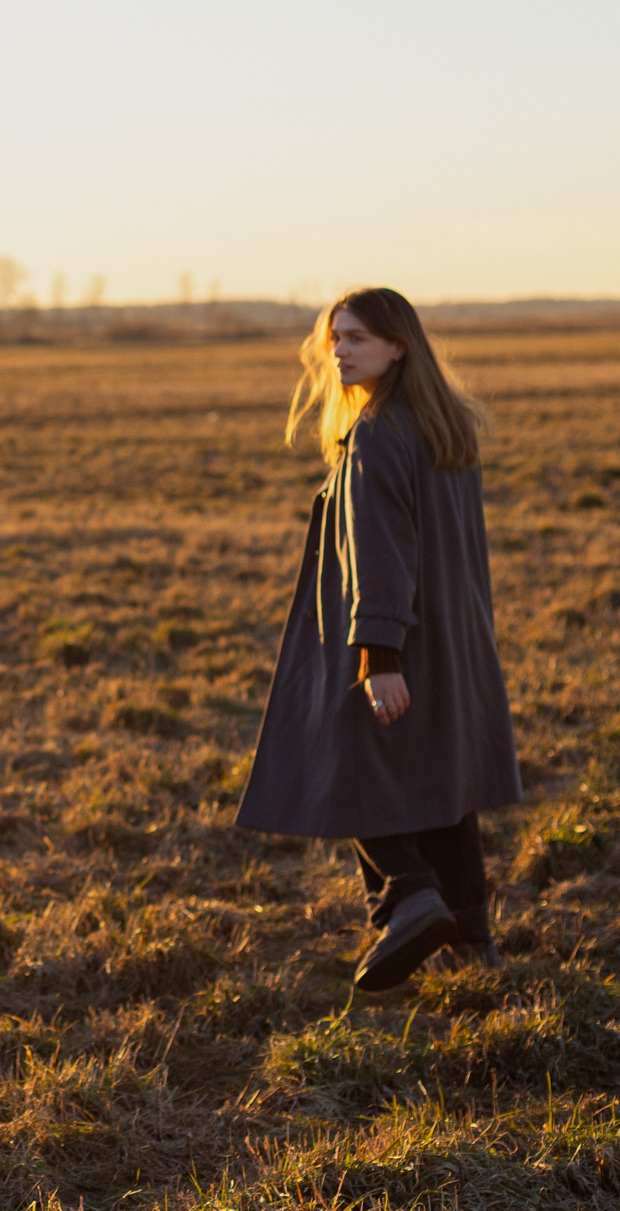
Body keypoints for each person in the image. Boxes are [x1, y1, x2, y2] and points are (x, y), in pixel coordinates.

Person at [234, 287, 520, 992]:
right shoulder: (442, 426)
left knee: (342, 757)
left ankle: (409, 896)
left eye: (357, 338)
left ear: (399, 345)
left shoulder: (378, 435)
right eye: (335, 338)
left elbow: (381, 549)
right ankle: (471, 941)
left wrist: (379, 654)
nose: (340, 351)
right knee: (441, 787)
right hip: (450, 639)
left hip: (391, 637)